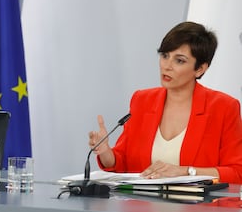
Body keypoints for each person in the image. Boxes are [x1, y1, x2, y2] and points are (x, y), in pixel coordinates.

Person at [88, 21, 242, 183]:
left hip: (198, 206)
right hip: (141, 205)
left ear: (200, 69)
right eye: (165, 56)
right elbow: (123, 164)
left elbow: (237, 173)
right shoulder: (142, 100)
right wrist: (105, 151)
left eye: (179, 60)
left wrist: (186, 172)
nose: (167, 66)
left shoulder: (223, 107)